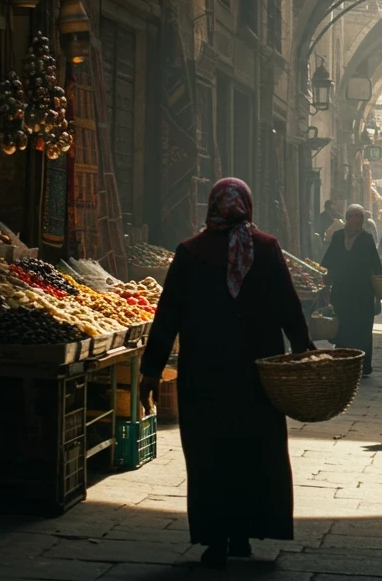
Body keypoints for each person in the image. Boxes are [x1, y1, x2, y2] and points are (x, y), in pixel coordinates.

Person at [138, 178, 313, 568]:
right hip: (258, 374)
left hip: (205, 374)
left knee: (209, 454)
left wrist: (151, 371)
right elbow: (289, 306)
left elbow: (167, 316)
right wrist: (304, 350)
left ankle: (215, 538)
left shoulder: (190, 252)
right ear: (247, 206)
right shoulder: (265, 249)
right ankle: (244, 534)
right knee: (255, 452)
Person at [321, 204, 382, 376]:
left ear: (362, 220)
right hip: (341, 290)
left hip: (362, 292)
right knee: (342, 326)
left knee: (362, 328)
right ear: (346, 218)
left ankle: (363, 365)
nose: (355, 219)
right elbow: (328, 260)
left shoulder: (367, 238)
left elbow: (376, 266)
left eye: (358, 216)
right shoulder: (337, 236)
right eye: (351, 216)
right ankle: (342, 363)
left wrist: (380, 284)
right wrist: (325, 276)